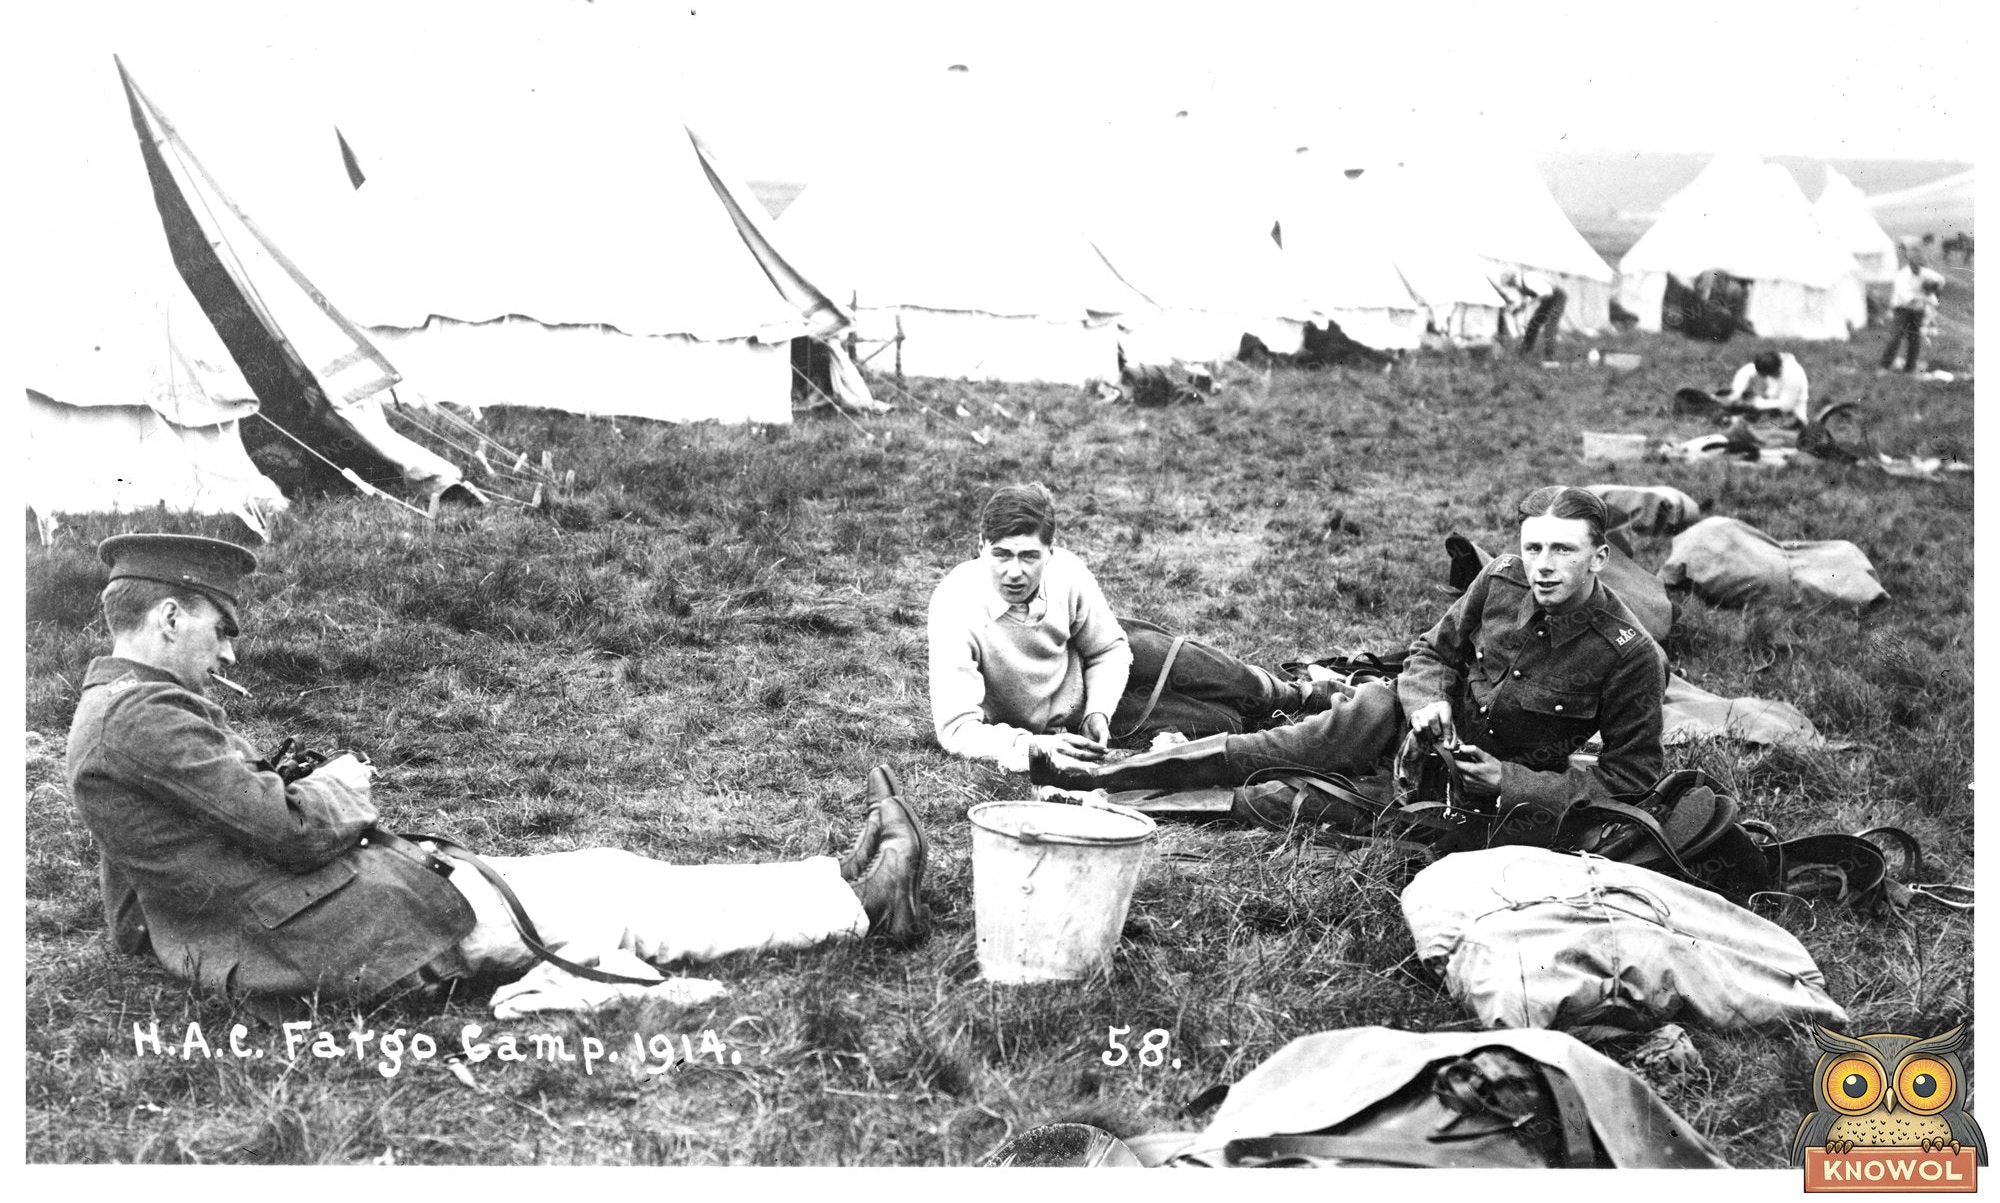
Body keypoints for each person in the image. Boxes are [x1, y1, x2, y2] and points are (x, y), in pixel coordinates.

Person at [65, 534, 932, 1010]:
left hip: (317, 916)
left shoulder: (118, 708)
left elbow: (138, 877)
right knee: (616, 894)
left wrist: (183, 940)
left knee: (604, 876)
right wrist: (339, 789)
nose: (227, 649)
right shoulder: (143, 717)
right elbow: (289, 833)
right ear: (169, 615)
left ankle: (835, 883)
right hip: (341, 935)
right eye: (220, 628)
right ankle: (858, 905)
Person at [1030, 486, 1667, 846]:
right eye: (1534, 548)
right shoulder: (1500, 581)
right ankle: (1102, 777)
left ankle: (1107, 808)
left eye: (1563, 550)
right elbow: (1431, 653)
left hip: (1476, 793)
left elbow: (1630, 784)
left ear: (1601, 558)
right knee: (1278, 744)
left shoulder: (1632, 656)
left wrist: (1510, 780)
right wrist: (1426, 703)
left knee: (1292, 806)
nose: (1543, 566)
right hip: (1406, 722)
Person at [928, 483, 1326, 773]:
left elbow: (1108, 649)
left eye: (1029, 556)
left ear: (1051, 551)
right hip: (1060, 721)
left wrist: (1099, 709)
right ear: (981, 545)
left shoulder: (1066, 571)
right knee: (1224, 724)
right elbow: (958, 730)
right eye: (1001, 554)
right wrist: (1038, 744)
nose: (1015, 571)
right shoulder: (954, 606)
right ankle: (1283, 725)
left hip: (1108, 667)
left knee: (1229, 679)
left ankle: (1308, 694)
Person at [1881, 253, 1946, 373]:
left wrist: (1935, 288)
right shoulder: (1902, 276)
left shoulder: (1924, 272)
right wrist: (1926, 298)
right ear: (1910, 264)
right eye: (1915, 266)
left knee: (1914, 339)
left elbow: (1941, 279)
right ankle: (1884, 366)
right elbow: (1907, 298)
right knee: (1896, 337)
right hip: (1902, 308)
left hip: (1917, 310)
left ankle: (1909, 368)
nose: (1918, 269)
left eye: (1920, 266)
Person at [1723, 349, 1810, 426]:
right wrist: (1737, 392)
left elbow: (1787, 405)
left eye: (1768, 375)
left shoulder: (1792, 376)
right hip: (1773, 404)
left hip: (1793, 413)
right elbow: (1747, 371)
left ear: (1776, 370)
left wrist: (1759, 403)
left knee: (1755, 425)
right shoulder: (1773, 361)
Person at [1504, 270, 1568, 358]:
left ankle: (1550, 357)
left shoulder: (1528, 279)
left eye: (1511, 284)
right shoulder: (1521, 285)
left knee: (1550, 325)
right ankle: (1525, 352)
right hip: (1548, 299)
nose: (1513, 287)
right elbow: (1525, 300)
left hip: (1557, 297)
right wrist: (1519, 308)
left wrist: (1529, 304)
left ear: (1514, 279)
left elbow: (1547, 292)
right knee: (1533, 324)